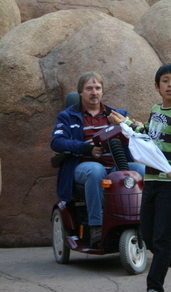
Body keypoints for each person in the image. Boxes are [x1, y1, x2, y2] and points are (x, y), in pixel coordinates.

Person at [110, 64, 171, 292]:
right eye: (165, 81)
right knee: (147, 235)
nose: (170, 85)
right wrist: (124, 123)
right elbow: (146, 134)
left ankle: (154, 287)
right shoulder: (156, 110)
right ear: (157, 86)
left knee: (162, 240)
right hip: (152, 181)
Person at [50, 72, 145, 249]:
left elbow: (139, 137)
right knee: (96, 171)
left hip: (116, 165)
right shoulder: (67, 116)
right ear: (80, 92)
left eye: (97, 88)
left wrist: (131, 126)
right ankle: (96, 225)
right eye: (89, 89)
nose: (94, 92)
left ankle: (143, 220)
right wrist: (86, 148)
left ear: (102, 91)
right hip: (82, 167)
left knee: (140, 171)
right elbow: (56, 142)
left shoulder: (116, 114)